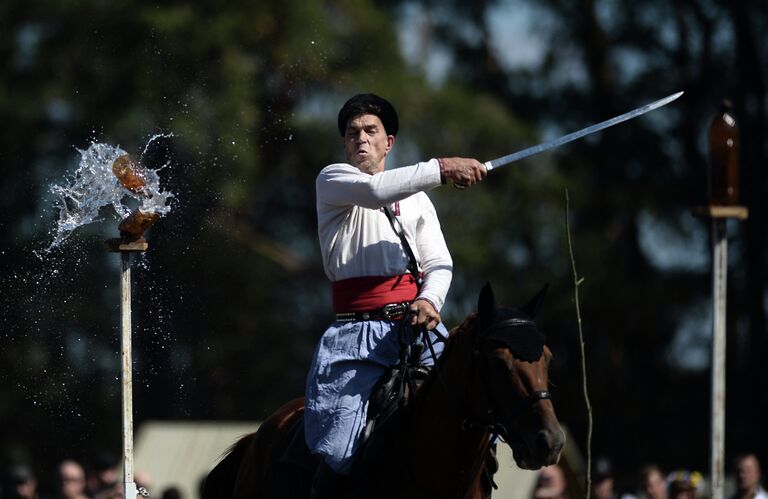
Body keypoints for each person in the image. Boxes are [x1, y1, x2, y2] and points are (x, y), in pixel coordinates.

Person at [304, 93, 487, 498]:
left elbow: (439, 264)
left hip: (419, 332)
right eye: (352, 134)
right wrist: (443, 167)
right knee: (339, 452)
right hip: (356, 340)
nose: (361, 140)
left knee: (478, 412)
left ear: (390, 142)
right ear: (344, 145)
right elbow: (375, 191)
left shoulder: (419, 199)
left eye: (371, 131)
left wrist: (430, 300)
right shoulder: (332, 180)